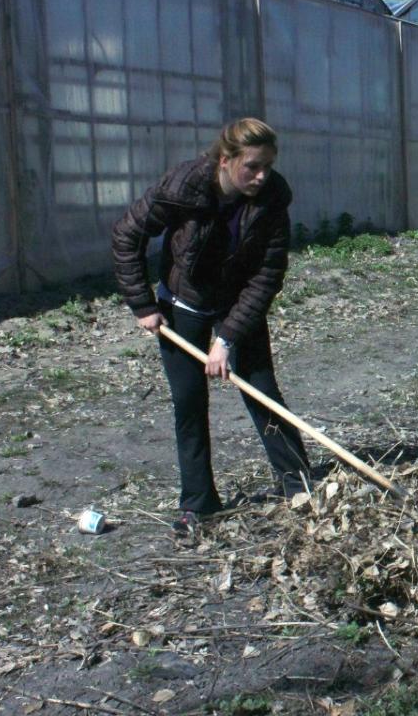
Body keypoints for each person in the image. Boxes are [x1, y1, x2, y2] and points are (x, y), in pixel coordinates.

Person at [111, 117, 311, 536]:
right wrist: (142, 304)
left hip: (236, 304)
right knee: (189, 401)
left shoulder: (273, 199)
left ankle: (298, 484)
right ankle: (199, 504)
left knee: (262, 392)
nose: (262, 176)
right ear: (225, 159)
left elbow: (267, 276)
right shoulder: (185, 186)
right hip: (181, 304)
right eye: (252, 166)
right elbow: (127, 236)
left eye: (268, 166)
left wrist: (227, 338)